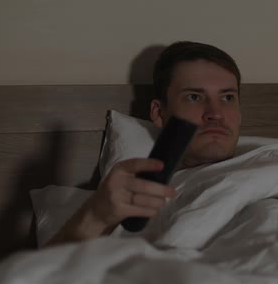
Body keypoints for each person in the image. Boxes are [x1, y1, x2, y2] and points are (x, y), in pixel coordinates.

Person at [46, 41, 242, 246]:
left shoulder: (272, 159)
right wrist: (96, 216)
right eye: (194, 97)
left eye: (227, 97)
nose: (216, 114)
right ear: (159, 113)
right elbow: (39, 276)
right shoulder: (136, 203)